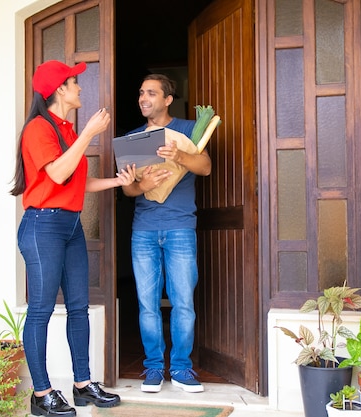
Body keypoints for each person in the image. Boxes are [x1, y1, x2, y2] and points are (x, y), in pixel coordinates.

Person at [11, 60, 134, 417]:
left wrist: (117, 182)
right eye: (75, 82)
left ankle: (83, 385)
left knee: (78, 307)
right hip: (42, 227)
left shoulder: (66, 128)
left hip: (70, 225)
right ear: (59, 89)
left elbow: (77, 183)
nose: (81, 87)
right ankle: (42, 394)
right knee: (41, 311)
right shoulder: (38, 128)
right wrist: (89, 135)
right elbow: (59, 172)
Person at [121, 74, 212, 393]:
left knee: (182, 302)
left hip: (180, 228)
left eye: (151, 93)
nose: (143, 98)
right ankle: (153, 369)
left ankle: (183, 368)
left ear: (168, 99)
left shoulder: (188, 129)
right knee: (147, 304)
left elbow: (205, 167)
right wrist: (139, 186)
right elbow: (129, 189)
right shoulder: (132, 138)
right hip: (143, 230)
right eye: (141, 92)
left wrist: (179, 156)